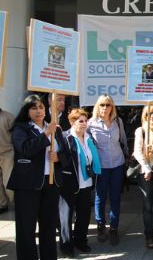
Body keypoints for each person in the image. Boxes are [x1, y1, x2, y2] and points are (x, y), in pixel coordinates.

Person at [7, 94, 68, 260]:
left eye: (41, 107)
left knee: (48, 227)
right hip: (28, 186)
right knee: (26, 229)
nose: (38, 111)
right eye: (33, 108)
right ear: (27, 111)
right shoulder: (21, 129)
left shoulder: (54, 127)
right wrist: (46, 134)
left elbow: (66, 155)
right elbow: (26, 149)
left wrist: (58, 158)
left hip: (51, 184)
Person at [58, 108, 101, 257]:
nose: (84, 124)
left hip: (87, 182)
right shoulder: (65, 137)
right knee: (66, 216)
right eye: (80, 121)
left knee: (84, 214)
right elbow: (62, 160)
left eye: (85, 120)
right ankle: (66, 245)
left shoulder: (89, 138)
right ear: (72, 122)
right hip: (69, 183)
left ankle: (80, 241)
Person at [87, 94, 128, 246]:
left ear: (112, 107)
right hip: (101, 166)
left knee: (116, 197)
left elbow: (123, 139)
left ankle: (114, 229)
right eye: (102, 105)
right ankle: (100, 226)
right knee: (100, 197)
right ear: (98, 106)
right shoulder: (91, 123)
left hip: (117, 163)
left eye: (108, 105)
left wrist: (127, 156)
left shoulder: (118, 121)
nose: (105, 108)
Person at [133, 105, 153, 249]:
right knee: (148, 205)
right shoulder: (141, 131)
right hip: (146, 173)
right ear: (145, 115)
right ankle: (149, 236)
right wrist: (147, 167)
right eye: (149, 113)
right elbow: (137, 152)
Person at [0, 108, 14, 214]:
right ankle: (2, 204)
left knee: (8, 182)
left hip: (7, 153)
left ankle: (16, 203)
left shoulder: (8, 117)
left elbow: (16, 134)